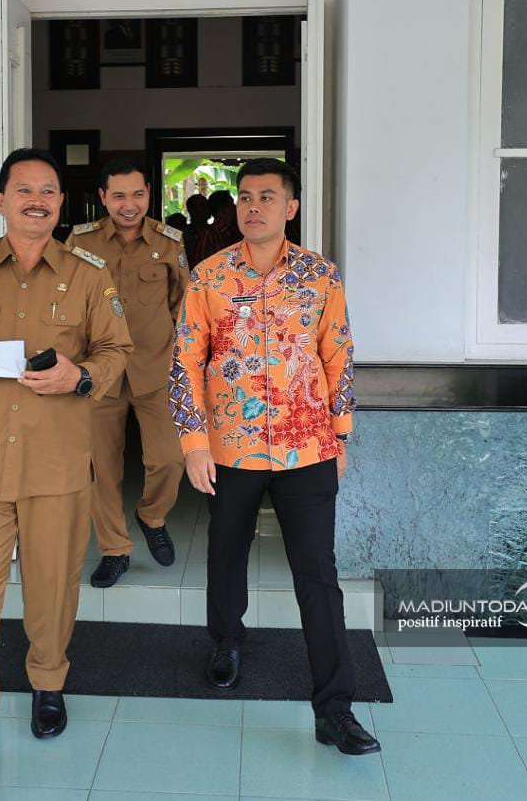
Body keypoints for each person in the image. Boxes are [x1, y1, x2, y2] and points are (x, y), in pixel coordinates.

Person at [0, 148, 133, 792]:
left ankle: (48, 681)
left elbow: (117, 350)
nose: (37, 200)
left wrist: (80, 376)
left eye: (48, 191)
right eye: (24, 190)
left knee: (52, 589)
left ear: (62, 203)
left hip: (57, 463)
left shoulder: (89, 273)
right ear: (1, 201)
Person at [168, 157, 380, 756]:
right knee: (225, 552)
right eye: (245, 196)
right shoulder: (209, 276)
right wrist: (193, 443)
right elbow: (185, 360)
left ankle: (335, 708)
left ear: (291, 207)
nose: (253, 206)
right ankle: (226, 641)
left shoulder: (320, 275)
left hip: (307, 446)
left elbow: (338, 355)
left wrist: (341, 436)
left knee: (317, 574)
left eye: (266, 196)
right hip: (230, 447)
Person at [67, 158, 188, 587]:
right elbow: (66, 303)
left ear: (149, 194)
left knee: (171, 458)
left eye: (137, 194)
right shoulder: (80, 242)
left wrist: (187, 362)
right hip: (99, 371)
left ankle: (152, 516)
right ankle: (114, 549)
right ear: (103, 198)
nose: (129, 204)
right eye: (118, 196)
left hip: (156, 367)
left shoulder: (169, 242)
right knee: (101, 467)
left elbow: (183, 304)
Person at [191, 189, 240, 263]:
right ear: (223, 211)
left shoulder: (235, 229)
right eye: (232, 204)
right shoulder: (210, 235)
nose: (236, 207)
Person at [182, 194, 210, 267]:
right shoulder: (184, 235)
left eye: (207, 205)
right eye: (202, 205)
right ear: (192, 210)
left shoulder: (214, 232)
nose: (207, 208)